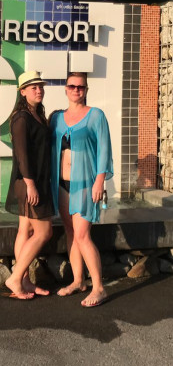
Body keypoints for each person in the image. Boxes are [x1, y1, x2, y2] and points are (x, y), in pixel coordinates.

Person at [50, 72, 113, 307]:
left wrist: (100, 181)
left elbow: (104, 149)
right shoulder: (57, 118)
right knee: (70, 231)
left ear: (86, 90)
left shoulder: (95, 115)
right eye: (72, 86)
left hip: (85, 182)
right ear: (66, 89)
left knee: (83, 234)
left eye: (81, 87)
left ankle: (99, 288)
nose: (76, 90)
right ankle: (78, 281)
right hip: (62, 183)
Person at [5, 71, 54, 300]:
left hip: (33, 181)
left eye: (40, 86)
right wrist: (31, 184)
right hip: (28, 182)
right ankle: (15, 278)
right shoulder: (21, 117)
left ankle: (24, 281)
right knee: (44, 231)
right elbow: (22, 154)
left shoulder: (37, 114)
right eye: (33, 87)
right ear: (22, 91)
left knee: (25, 229)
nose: (38, 90)